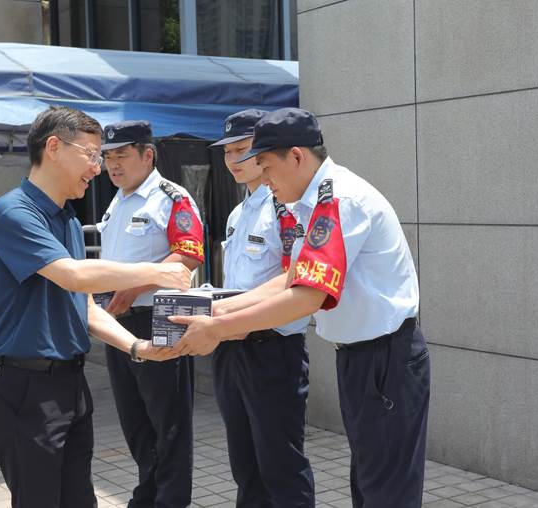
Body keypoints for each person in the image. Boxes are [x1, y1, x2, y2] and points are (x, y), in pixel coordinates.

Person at [170, 107, 429, 508]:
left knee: (385, 491)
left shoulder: (338, 200)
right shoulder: (311, 204)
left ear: (295, 156)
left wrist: (219, 328)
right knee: (369, 483)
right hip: (361, 357)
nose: (264, 178)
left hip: (384, 357)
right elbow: (290, 278)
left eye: (266, 166)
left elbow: (308, 296)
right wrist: (218, 312)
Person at [0, 106, 186, 508]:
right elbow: (73, 275)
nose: (98, 168)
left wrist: (137, 347)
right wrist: (155, 271)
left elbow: (85, 305)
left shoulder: (68, 221)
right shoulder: (13, 213)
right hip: (26, 386)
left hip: (70, 383)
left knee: (80, 499)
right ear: (53, 148)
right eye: (91, 155)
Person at [207, 109, 314, 507]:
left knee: (281, 466)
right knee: (245, 465)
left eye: (242, 150)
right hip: (230, 347)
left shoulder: (286, 208)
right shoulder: (238, 213)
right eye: (227, 152)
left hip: (272, 350)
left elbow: (293, 276)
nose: (233, 160)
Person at [96, 120, 204, 508]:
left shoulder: (170, 197)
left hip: (159, 318)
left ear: (148, 155)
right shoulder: (117, 201)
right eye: (108, 157)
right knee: (134, 418)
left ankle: (170, 500)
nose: (113, 165)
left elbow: (190, 253)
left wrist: (131, 289)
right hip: (119, 321)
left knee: (168, 421)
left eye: (122, 155)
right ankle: (149, 492)